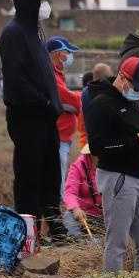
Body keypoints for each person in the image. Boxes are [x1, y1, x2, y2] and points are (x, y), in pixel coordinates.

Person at [0, 0, 66, 240]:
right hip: (28, 118)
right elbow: (16, 80)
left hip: (46, 118)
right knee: (29, 175)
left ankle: (55, 227)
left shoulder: (36, 31)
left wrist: (52, 105)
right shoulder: (13, 33)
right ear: (29, 1)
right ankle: (29, 233)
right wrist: (44, 102)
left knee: (50, 173)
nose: (45, 4)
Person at [84, 57, 139, 274]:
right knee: (118, 242)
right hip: (118, 177)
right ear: (123, 78)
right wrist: (136, 141)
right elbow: (97, 147)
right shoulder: (101, 103)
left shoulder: (137, 101)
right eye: (136, 87)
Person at [45, 37, 82, 193]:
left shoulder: (57, 73)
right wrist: (82, 96)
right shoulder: (51, 75)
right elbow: (71, 100)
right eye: (68, 52)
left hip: (62, 137)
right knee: (56, 183)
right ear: (57, 54)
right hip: (57, 137)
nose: (70, 56)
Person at [63, 144, 102, 231]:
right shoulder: (78, 166)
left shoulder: (111, 166)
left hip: (106, 215)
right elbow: (70, 193)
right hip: (83, 215)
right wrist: (75, 208)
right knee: (69, 218)